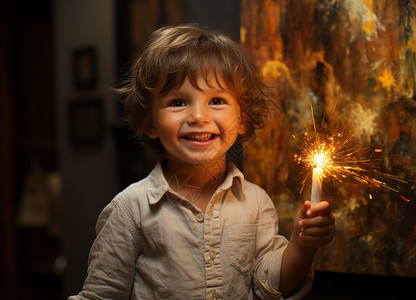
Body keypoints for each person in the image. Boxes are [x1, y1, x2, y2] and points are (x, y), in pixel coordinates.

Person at [69, 24, 335, 300]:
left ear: (242, 118)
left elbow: (269, 286)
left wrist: (303, 246)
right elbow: (101, 295)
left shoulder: (256, 204)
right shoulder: (130, 210)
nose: (198, 116)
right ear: (150, 123)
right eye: (178, 102)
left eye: (217, 100)